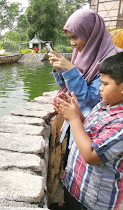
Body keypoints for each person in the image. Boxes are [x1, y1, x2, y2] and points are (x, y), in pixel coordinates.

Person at [49, 9, 122, 167]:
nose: (72, 43)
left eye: (75, 37)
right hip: (78, 120)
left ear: (91, 33)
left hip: (95, 129)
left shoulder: (113, 60)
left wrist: (71, 70)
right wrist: (59, 70)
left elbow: (91, 97)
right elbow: (68, 87)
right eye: (69, 38)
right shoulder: (81, 53)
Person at [54, 52, 123, 210]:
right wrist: (77, 113)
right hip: (76, 187)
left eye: (105, 84)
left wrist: (73, 119)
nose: (100, 88)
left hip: (95, 201)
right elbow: (89, 131)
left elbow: (92, 155)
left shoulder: (120, 123)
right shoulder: (102, 105)